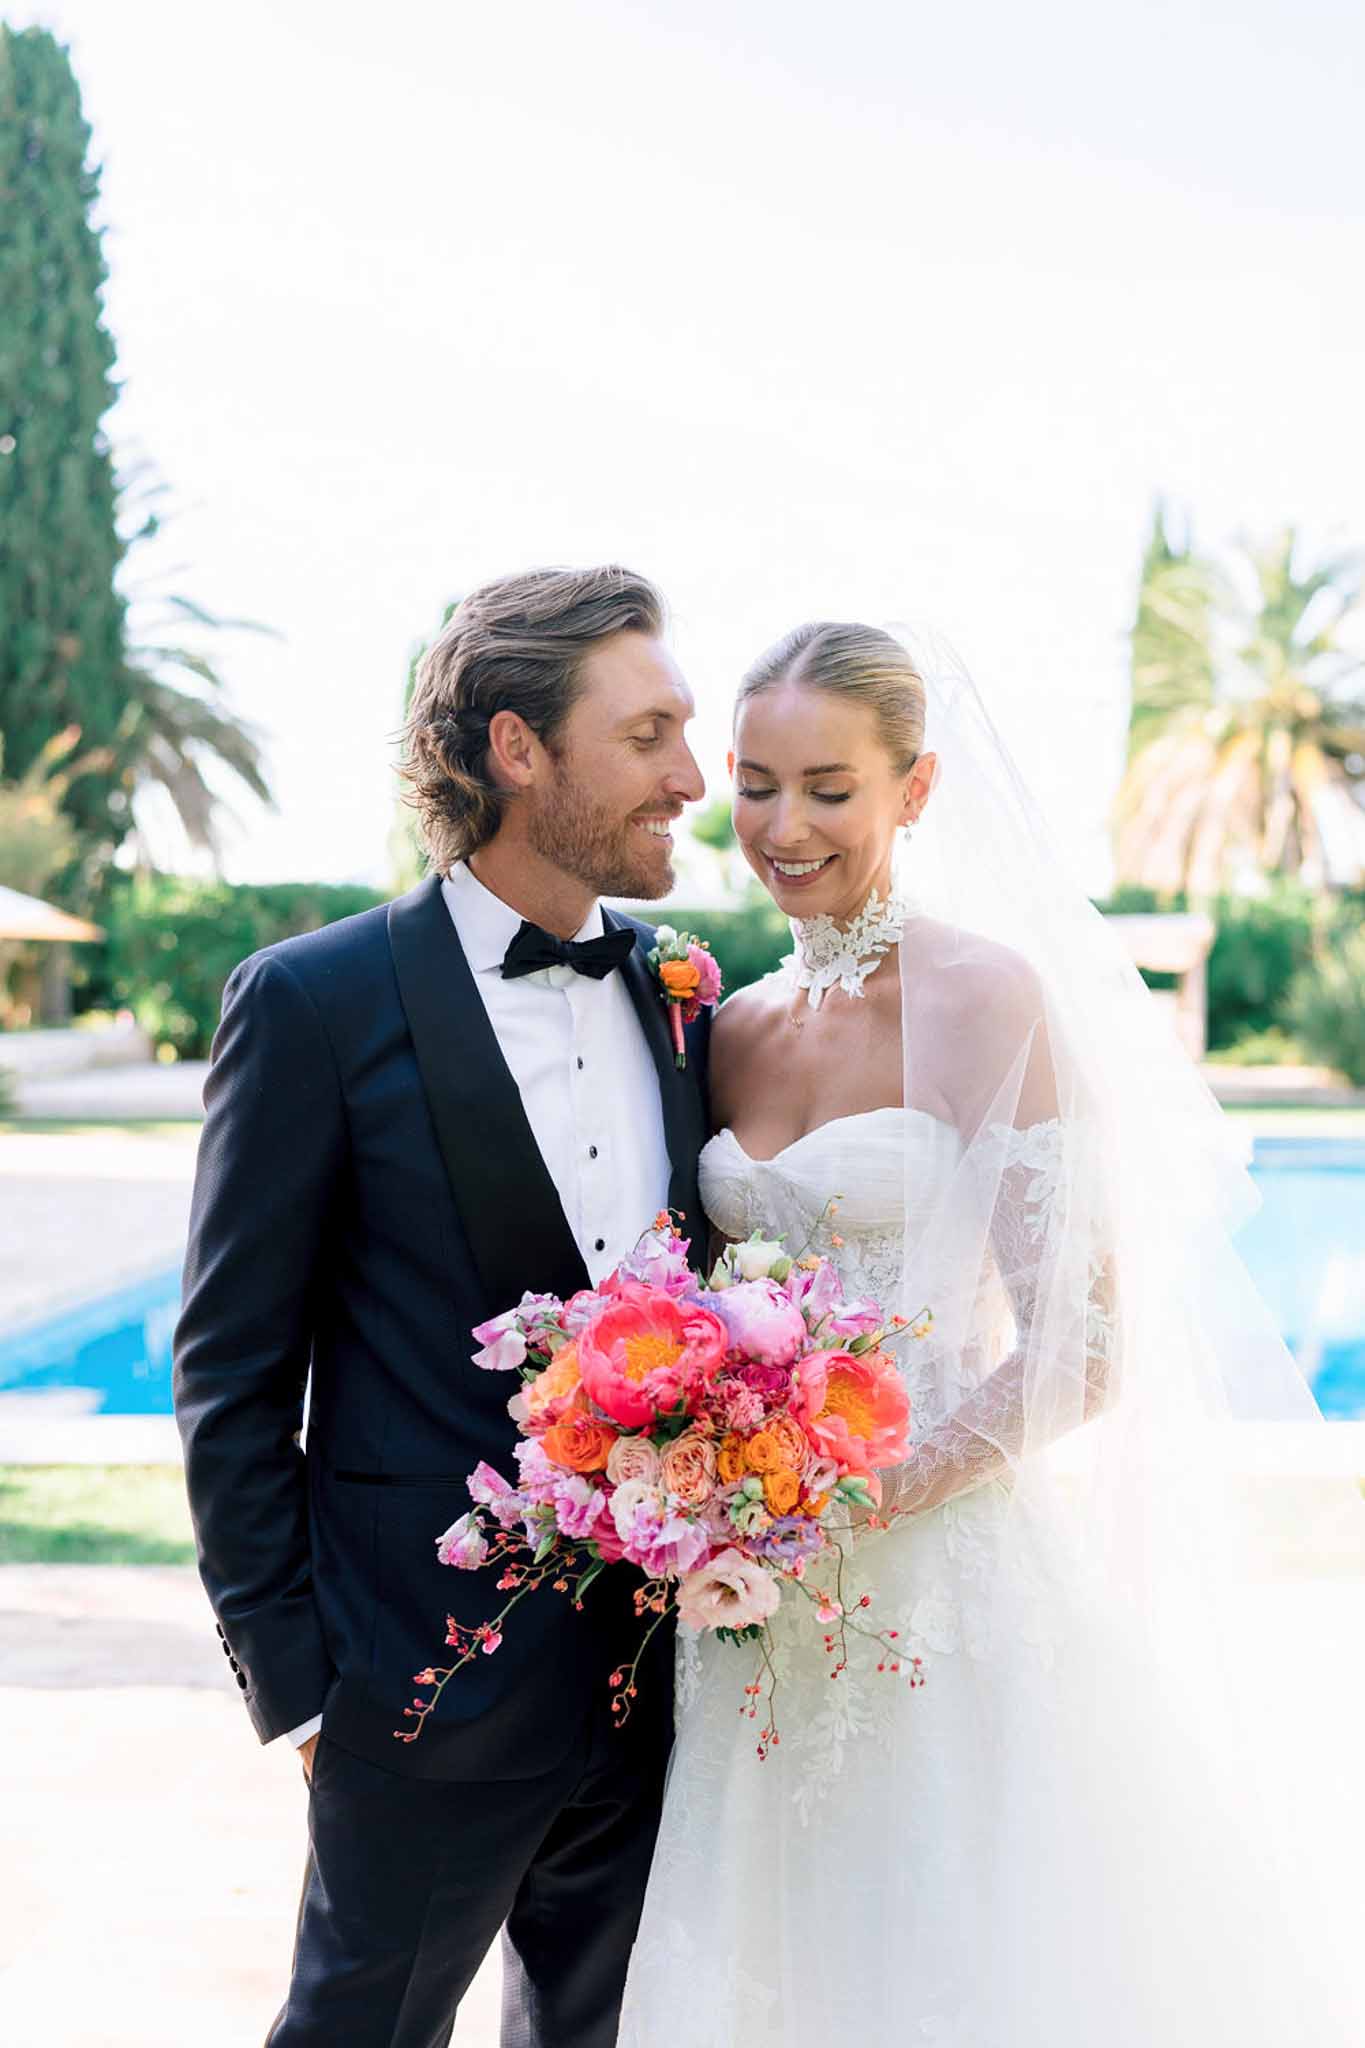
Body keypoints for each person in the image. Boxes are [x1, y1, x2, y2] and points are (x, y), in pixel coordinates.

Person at [618, 621, 1365, 2047]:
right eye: (756, 782)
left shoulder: (982, 997)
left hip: (933, 1585)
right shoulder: (726, 1020)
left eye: (828, 787)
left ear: (915, 787)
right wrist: (716, 1491)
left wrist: (850, 1502)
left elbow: (1080, 1351)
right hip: (746, 1608)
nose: (783, 827)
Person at [173, 565, 708, 2048]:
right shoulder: (312, 1003)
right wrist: (300, 1687)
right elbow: (229, 1373)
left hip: (667, 1688)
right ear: (514, 747)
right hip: (417, 1684)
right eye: (648, 732)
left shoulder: (685, 998)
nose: (693, 774)